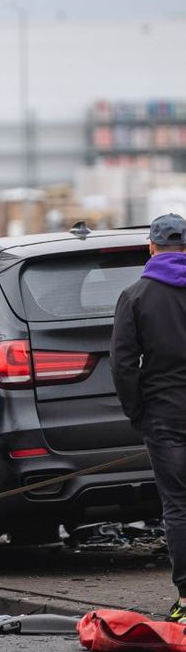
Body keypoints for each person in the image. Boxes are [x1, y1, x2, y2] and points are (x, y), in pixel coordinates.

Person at [111, 213, 186, 622]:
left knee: (178, 506)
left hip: (166, 415)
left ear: (152, 247)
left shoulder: (136, 296)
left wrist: (137, 412)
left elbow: (122, 365)